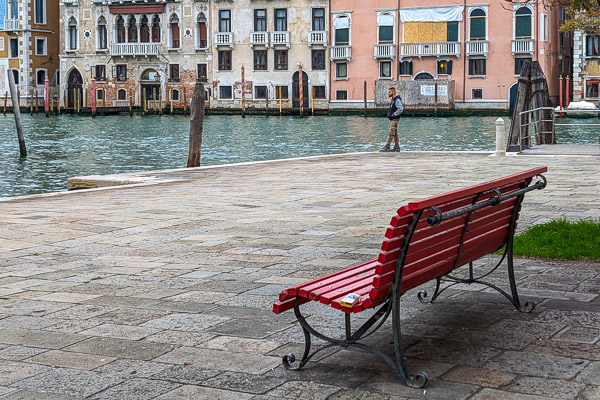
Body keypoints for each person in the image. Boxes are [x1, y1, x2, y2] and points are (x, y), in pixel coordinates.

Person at [381, 86, 403, 152]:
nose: (388, 93)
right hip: (393, 119)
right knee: (395, 133)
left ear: (393, 92)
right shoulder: (393, 99)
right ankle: (397, 147)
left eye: (390, 92)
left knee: (391, 133)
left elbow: (401, 109)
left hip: (395, 119)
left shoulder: (397, 100)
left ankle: (387, 146)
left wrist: (394, 114)